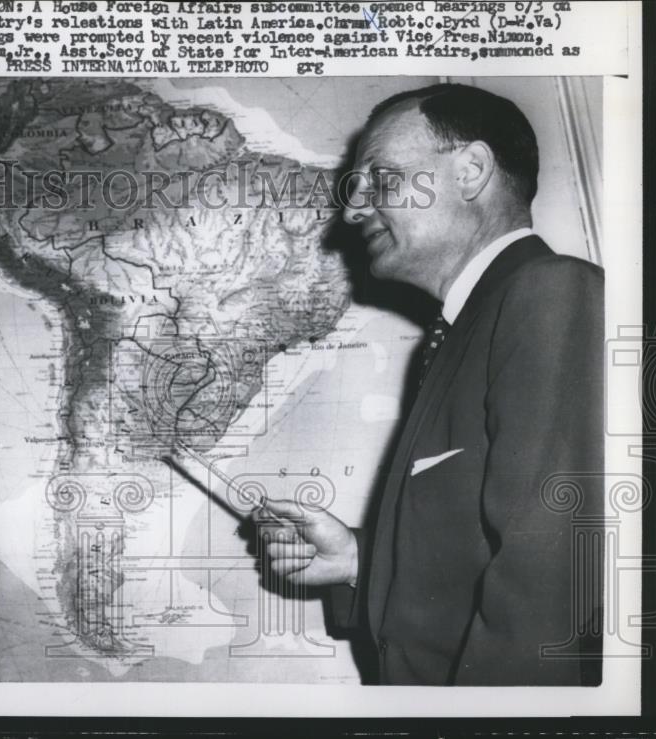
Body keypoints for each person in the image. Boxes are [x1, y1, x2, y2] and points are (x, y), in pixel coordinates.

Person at [257, 84, 603, 686]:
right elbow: (484, 551)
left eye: (381, 179)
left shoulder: (548, 294)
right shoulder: (459, 333)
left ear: (470, 170)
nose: (353, 210)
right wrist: (360, 559)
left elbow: (548, 584)